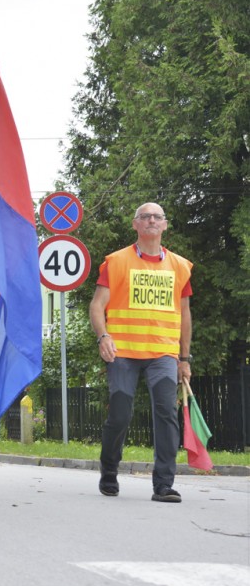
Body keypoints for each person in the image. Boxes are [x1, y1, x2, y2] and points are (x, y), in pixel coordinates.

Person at [89, 202, 193, 503]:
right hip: (122, 351)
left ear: (165, 225)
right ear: (135, 225)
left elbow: (185, 315)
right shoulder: (117, 262)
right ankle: (109, 470)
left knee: (166, 413)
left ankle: (163, 484)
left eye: (156, 217)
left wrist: (184, 359)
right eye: (144, 216)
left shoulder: (180, 267)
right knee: (120, 412)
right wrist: (103, 336)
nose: (150, 220)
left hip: (163, 353)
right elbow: (97, 305)